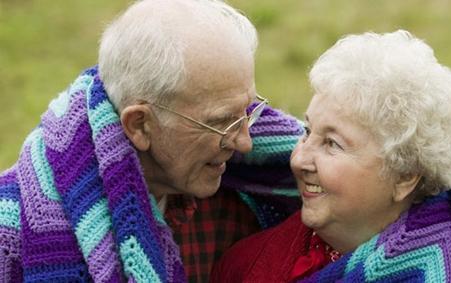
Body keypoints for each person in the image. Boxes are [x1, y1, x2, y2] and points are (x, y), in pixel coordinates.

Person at [0, 0, 303, 282]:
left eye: (247, 111)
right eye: (220, 122)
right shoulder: (11, 236)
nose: (245, 143)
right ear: (140, 125)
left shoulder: (250, 193)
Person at [211, 30, 451, 282]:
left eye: (332, 144)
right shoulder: (245, 266)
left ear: (405, 176)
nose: (299, 160)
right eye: (307, 131)